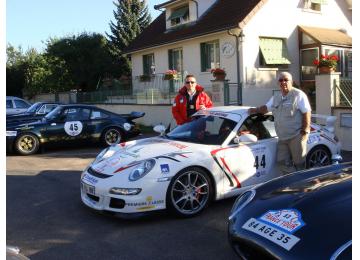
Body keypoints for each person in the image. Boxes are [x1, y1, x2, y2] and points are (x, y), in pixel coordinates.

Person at [248, 71, 311, 174]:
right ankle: (292, 182)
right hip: (282, 137)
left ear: (292, 82)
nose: (283, 82)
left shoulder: (298, 95)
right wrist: (255, 110)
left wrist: (305, 130)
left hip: (296, 136)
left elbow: (306, 112)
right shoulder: (276, 96)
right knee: (281, 162)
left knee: (299, 163)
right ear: (278, 83)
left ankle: (302, 186)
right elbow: (266, 108)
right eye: (281, 80)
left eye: (286, 80)